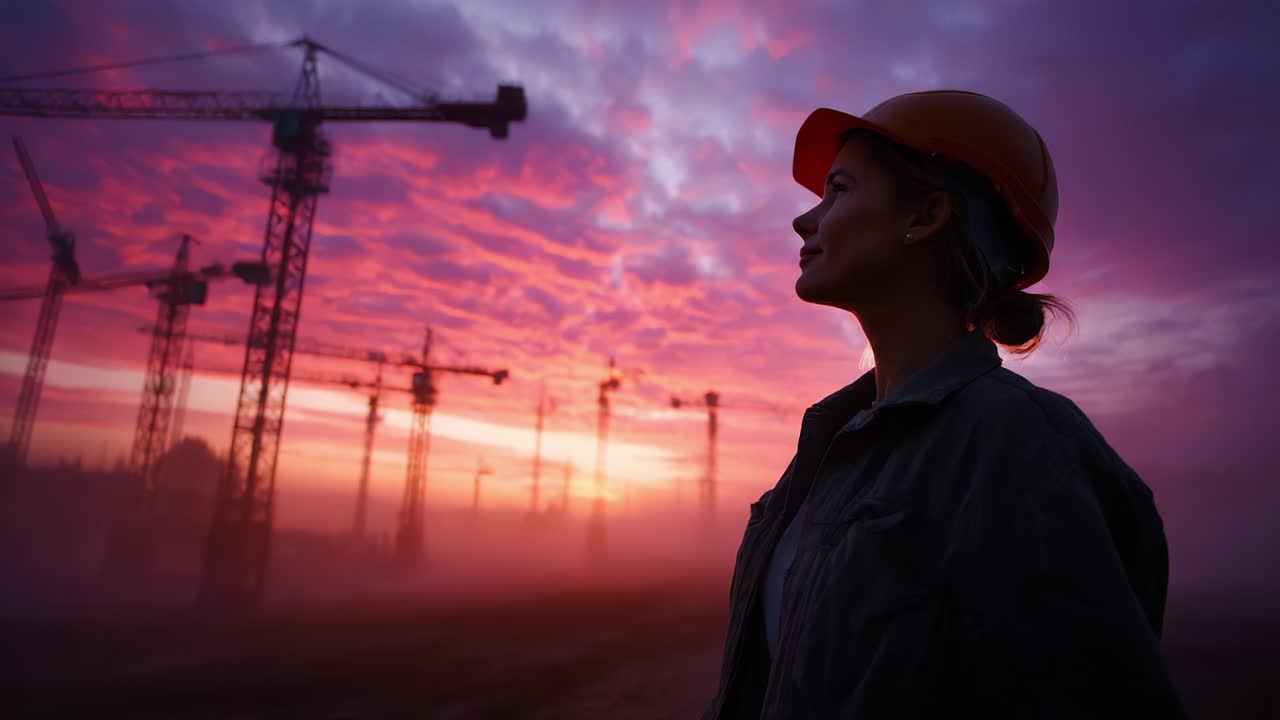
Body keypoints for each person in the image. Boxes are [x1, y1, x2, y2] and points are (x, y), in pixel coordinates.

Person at [702, 91, 1186, 718]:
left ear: (926, 215)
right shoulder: (833, 442)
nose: (805, 220)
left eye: (839, 191)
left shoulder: (1017, 447)